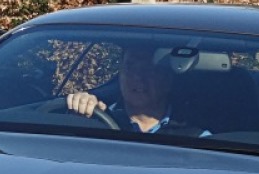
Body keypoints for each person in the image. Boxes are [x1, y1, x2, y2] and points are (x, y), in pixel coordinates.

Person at [65, 45, 206, 135]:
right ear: (119, 73)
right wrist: (79, 108)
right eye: (130, 66)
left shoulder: (194, 136)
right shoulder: (97, 119)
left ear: (168, 79)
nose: (137, 76)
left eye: (149, 69)